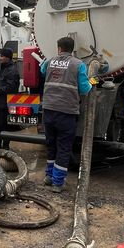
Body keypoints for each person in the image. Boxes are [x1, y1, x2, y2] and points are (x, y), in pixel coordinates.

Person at [41, 36, 92, 192]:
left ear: (59, 48)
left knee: (51, 144)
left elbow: (42, 71)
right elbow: (84, 89)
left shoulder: (49, 61)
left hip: (48, 109)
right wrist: (92, 83)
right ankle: (58, 183)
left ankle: (49, 177)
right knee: (63, 146)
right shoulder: (78, 64)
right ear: (72, 49)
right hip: (66, 112)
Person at [0, 47, 20, 149]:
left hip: (6, 103)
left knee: (4, 125)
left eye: (2, 56)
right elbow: (2, 81)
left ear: (7, 57)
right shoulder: (3, 67)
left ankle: (5, 146)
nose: (0, 58)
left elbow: (11, 87)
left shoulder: (12, 70)